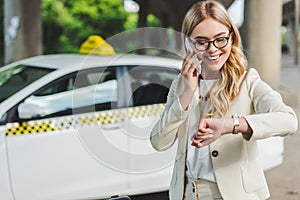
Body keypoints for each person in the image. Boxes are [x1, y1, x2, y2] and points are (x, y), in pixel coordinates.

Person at [150, 1, 298, 200]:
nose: (212, 49)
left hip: (231, 194)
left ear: (231, 37)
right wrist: (187, 93)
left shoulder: (248, 81)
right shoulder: (181, 84)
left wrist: (232, 125)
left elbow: (288, 120)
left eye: (220, 39)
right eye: (201, 42)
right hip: (186, 194)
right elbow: (159, 142)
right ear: (188, 43)